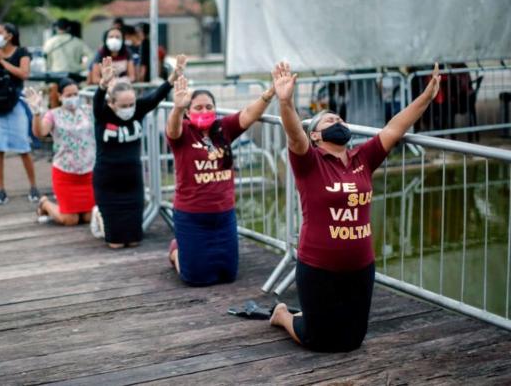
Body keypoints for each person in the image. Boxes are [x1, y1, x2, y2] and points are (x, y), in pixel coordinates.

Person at [269, 62, 441, 352]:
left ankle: (307, 315)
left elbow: (395, 127)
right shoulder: (309, 161)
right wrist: (285, 102)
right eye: (330, 121)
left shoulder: (364, 157)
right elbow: (294, 135)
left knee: (353, 341)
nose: (338, 123)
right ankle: (284, 315)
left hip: (361, 266)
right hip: (318, 267)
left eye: (340, 120)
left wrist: (425, 96)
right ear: (315, 136)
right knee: (318, 340)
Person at [166, 75, 276, 286]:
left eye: (209, 106)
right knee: (195, 279)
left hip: (224, 215)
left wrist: (269, 94)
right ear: (189, 112)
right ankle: (176, 251)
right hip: (191, 216)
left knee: (228, 276)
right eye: (198, 107)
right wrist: (177, 108)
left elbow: (248, 114)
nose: (204, 110)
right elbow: (172, 129)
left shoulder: (223, 128)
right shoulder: (183, 132)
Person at [93, 54, 187, 249]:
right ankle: (101, 218)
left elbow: (156, 96)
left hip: (132, 181)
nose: (128, 109)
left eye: (131, 104)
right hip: (108, 180)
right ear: (112, 104)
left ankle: (113, 223)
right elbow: (97, 101)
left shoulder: (138, 110)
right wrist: (103, 84)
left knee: (134, 240)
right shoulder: (103, 115)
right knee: (116, 244)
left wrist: (173, 77)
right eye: (123, 105)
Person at [0, 23, 39, 205]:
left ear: (10, 36)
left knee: (23, 147)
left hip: (16, 104)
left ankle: (33, 186)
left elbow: (24, 73)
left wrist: (4, 62)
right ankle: (0, 190)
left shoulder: (21, 52)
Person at [24, 78, 96, 225]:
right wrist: (36, 113)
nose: (73, 98)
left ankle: (66, 208)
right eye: (68, 95)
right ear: (60, 96)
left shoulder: (88, 111)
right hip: (65, 173)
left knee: (89, 217)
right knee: (71, 219)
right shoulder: (53, 114)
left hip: (88, 172)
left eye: (75, 94)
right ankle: (45, 203)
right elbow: (40, 132)